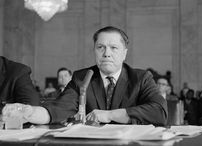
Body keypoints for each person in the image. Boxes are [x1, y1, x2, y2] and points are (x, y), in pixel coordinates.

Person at [2, 26, 167, 126]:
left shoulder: (140, 78)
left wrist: (110, 115)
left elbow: (159, 112)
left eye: (113, 48)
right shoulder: (83, 77)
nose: (106, 53)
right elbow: (60, 108)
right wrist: (29, 112)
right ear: (94, 50)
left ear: (124, 53)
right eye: (100, 47)